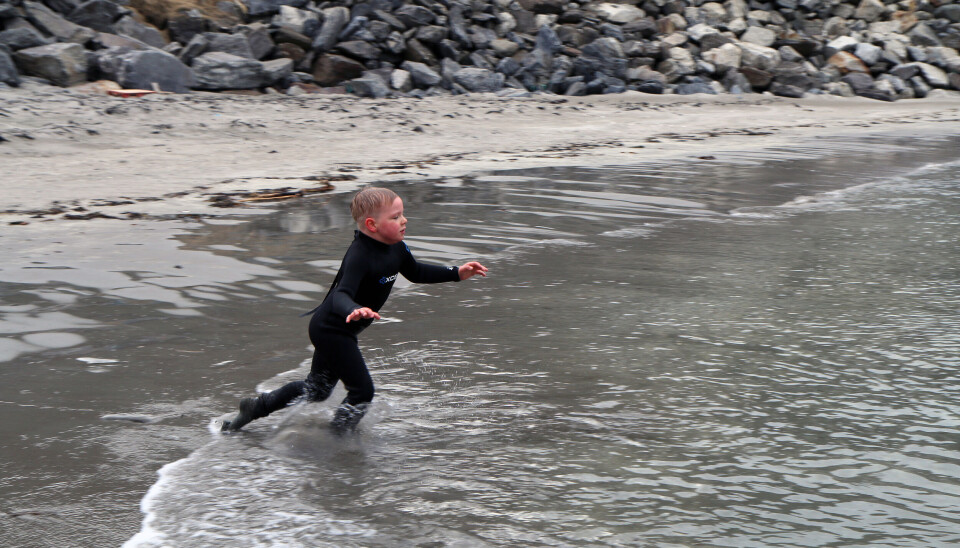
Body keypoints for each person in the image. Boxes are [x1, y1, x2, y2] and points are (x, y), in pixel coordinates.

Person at [222, 187, 488, 433]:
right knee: (362, 391)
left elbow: (416, 272)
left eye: (402, 214)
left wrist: (456, 273)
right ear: (372, 225)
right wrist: (355, 308)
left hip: (340, 328)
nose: (404, 220)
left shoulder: (396, 247)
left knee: (317, 390)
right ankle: (338, 440)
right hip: (331, 328)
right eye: (396, 217)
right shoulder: (360, 255)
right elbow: (341, 294)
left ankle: (257, 407)